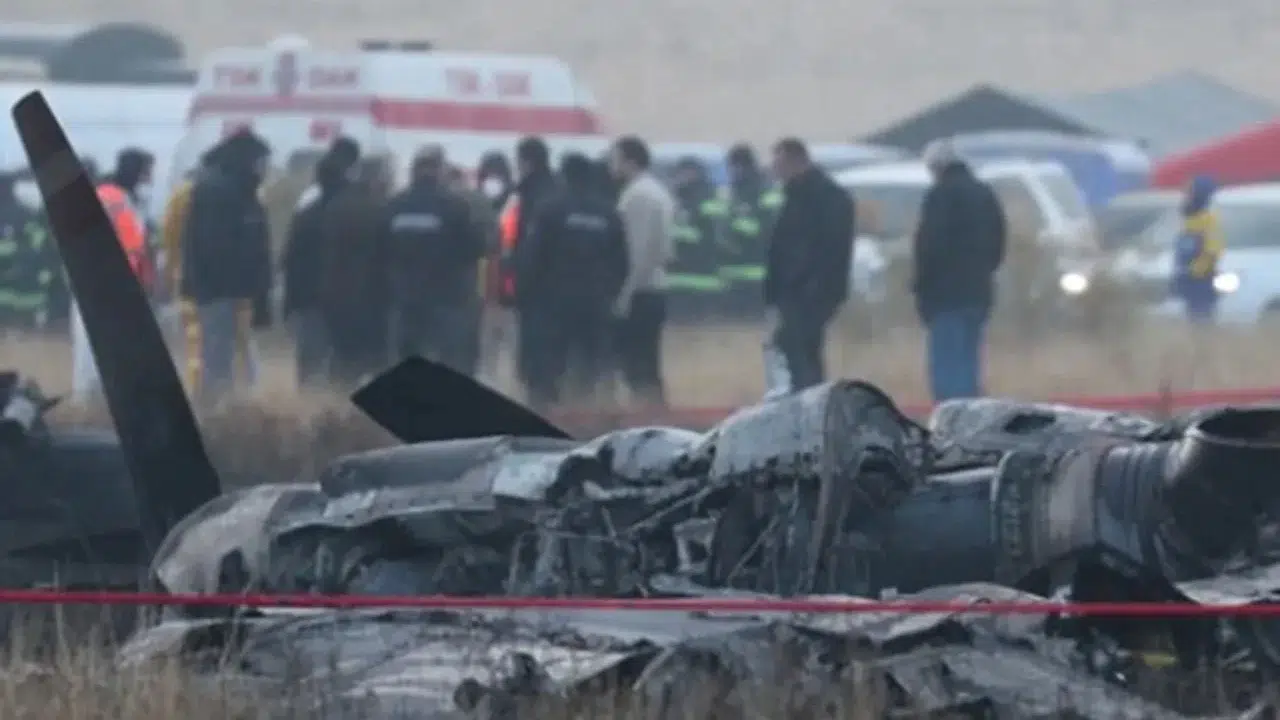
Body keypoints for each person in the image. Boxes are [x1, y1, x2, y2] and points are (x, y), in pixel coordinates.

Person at [515, 152, 629, 409]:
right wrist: (608, 293)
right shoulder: (608, 213)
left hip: (554, 303)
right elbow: (621, 263)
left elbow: (532, 257)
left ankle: (548, 413)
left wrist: (526, 295)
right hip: (594, 302)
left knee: (550, 364)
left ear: (563, 176)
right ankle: (584, 412)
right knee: (588, 363)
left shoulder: (549, 210)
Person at [180, 129, 273, 405]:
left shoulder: (235, 189)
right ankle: (215, 412)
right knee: (218, 356)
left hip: (230, 289)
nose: (264, 169)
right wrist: (244, 284)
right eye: (260, 162)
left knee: (228, 356)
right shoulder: (219, 190)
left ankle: (228, 408)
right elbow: (214, 246)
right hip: (220, 290)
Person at [911, 141, 1006, 403]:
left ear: (936, 167)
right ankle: (972, 412)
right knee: (969, 359)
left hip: (944, 294)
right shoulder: (984, 194)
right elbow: (998, 242)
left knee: (947, 365)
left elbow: (929, 246)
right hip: (978, 291)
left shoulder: (939, 196)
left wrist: (921, 286)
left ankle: (951, 417)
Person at [764, 138, 855, 393]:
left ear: (796, 161)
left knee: (797, 344)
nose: (775, 171)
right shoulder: (793, 196)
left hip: (813, 290)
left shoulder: (827, 197)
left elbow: (831, 247)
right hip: (792, 290)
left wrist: (811, 283)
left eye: (779, 164)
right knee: (795, 347)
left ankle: (809, 396)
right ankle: (806, 395)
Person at [382, 145, 484, 371]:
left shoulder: (394, 206)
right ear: (440, 171)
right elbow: (474, 248)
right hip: (445, 299)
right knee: (446, 361)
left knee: (407, 360)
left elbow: (381, 250)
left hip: (405, 298)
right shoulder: (454, 207)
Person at [72, 148, 158, 401]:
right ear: (137, 170)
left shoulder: (130, 198)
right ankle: (86, 396)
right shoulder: (109, 196)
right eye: (148, 170)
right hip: (99, 279)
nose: (151, 176)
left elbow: (139, 246)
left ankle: (108, 395)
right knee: (91, 342)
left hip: (122, 282)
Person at [281, 137, 360, 387]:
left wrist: (290, 300)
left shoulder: (307, 208)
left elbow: (290, 257)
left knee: (310, 363)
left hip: (309, 296)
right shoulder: (354, 208)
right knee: (341, 363)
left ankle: (309, 413)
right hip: (345, 297)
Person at [610, 135, 677, 406]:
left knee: (637, 364)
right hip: (655, 288)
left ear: (629, 160)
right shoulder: (657, 191)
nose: (611, 166)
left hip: (641, 290)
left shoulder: (638, 196)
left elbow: (637, 250)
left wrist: (624, 296)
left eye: (615, 159)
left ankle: (648, 414)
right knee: (647, 362)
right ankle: (655, 412)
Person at [321, 156, 393, 387]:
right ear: (377, 179)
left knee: (342, 358)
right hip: (372, 294)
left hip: (336, 291)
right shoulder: (381, 209)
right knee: (376, 359)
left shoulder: (337, 205)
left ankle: (335, 406)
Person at [508, 137, 559, 394]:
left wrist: (518, 283)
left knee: (534, 350)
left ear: (525, 161)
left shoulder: (528, 193)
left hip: (534, 284)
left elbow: (526, 243)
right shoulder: (557, 189)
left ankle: (539, 398)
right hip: (558, 283)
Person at [446, 164, 500, 377]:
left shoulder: (441, 203)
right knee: (468, 339)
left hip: (438, 284)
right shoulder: (480, 201)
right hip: (472, 280)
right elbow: (493, 243)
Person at [718, 144, 784, 316]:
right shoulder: (731, 192)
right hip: (731, 273)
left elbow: (768, 229)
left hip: (757, 274)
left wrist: (735, 227)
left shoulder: (766, 192)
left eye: (735, 167)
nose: (732, 172)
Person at [668, 157, 727, 317]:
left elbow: (710, 233)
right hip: (678, 275)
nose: (679, 178)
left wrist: (674, 232)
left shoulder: (707, 198)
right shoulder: (677, 198)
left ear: (694, 174)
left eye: (683, 173)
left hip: (703, 274)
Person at [0, 169, 52, 332]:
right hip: (28, 288)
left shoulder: (21, 214)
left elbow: (37, 243)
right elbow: (40, 245)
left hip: (14, 289)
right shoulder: (27, 212)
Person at [1171, 175, 1223, 324]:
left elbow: (1213, 251)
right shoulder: (1187, 219)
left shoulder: (1209, 220)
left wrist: (1196, 270)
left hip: (1202, 280)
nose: (1186, 196)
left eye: (1189, 192)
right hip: (1187, 277)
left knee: (1202, 321)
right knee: (1190, 319)